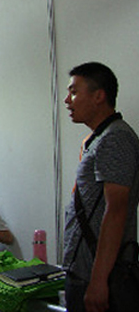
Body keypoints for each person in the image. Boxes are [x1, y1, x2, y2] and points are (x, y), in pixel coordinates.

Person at [62, 62, 139, 312]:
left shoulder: (116, 137)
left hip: (98, 278)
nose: (67, 100)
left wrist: (98, 281)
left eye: (74, 92)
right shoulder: (100, 138)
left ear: (99, 96)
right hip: (84, 272)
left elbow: (116, 211)